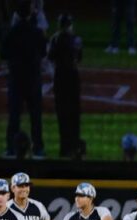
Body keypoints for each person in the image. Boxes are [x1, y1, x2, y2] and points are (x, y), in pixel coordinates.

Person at [1, 1, 46, 159]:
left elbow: (3, 54)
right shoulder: (36, 31)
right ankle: (38, 149)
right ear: (29, 13)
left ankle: (10, 149)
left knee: (14, 116)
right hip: (33, 80)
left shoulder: (12, 32)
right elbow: (43, 51)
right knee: (36, 116)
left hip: (16, 80)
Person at [47, 13, 82, 159]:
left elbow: (50, 57)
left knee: (62, 115)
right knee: (74, 115)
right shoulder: (77, 39)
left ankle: (64, 148)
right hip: (73, 78)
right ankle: (75, 148)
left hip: (60, 77)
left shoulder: (55, 39)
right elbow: (79, 57)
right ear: (70, 25)